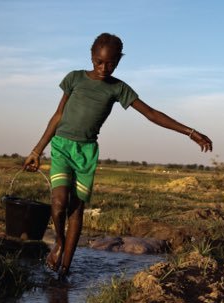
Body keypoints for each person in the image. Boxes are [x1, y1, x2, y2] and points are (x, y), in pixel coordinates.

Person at [23, 32, 213, 278]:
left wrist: (190, 132)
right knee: (58, 204)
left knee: (76, 209)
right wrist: (37, 150)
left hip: (87, 152)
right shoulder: (74, 78)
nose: (104, 68)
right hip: (61, 146)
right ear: (91, 58)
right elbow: (58, 115)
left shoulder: (118, 88)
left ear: (118, 61)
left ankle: (65, 271)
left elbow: (151, 113)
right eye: (99, 62)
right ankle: (59, 243)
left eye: (110, 63)